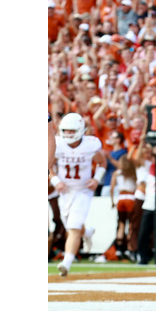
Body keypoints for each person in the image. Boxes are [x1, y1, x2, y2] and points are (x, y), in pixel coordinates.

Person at [51, 113, 106, 276]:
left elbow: (102, 162)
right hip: (65, 191)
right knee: (70, 223)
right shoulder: (57, 143)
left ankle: (67, 262)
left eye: (71, 130)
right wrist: (56, 181)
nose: (68, 134)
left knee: (73, 227)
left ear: (81, 130)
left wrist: (96, 179)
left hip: (83, 190)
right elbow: (48, 166)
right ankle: (87, 232)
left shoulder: (90, 144)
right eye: (65, 130)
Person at [109, 157, 137, 259]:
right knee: (130, 225)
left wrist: (112, 201)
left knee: (121, 225)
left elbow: (111, 189)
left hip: (121, 198)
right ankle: (130, 248)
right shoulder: (133, 172)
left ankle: (119, 249)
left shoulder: (117, 173)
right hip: (131, 197)